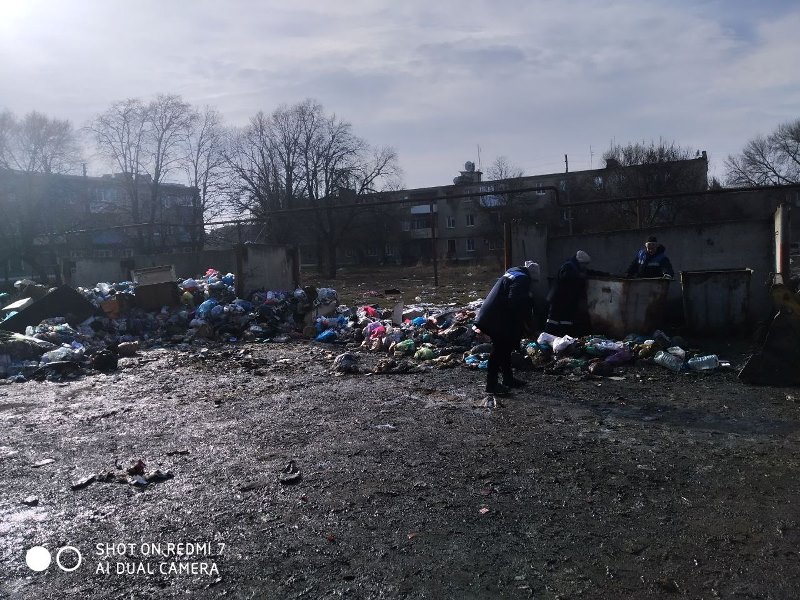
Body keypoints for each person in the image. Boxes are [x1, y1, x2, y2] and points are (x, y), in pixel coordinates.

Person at [474, 260, 540, 395]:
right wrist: (526, 323)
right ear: (532, 277)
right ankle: (491, 385)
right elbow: (515, 301)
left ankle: (508, 378)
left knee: (506, 347)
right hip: (495, 318)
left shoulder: (514, 274)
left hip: (492, 315)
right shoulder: (523, 279)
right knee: (499, 349)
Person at [545, 250, 592, 337]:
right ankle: (548, 337)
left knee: (565, 321)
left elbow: (590, 272)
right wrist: (578, 275)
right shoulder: (568, 266)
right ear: (580, 262)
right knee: (553, 320)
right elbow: (565, 276)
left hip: (567, 300)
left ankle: (563, 338)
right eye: (584, 264)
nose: (585, 266)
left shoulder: (576, 268)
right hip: (559, 299)